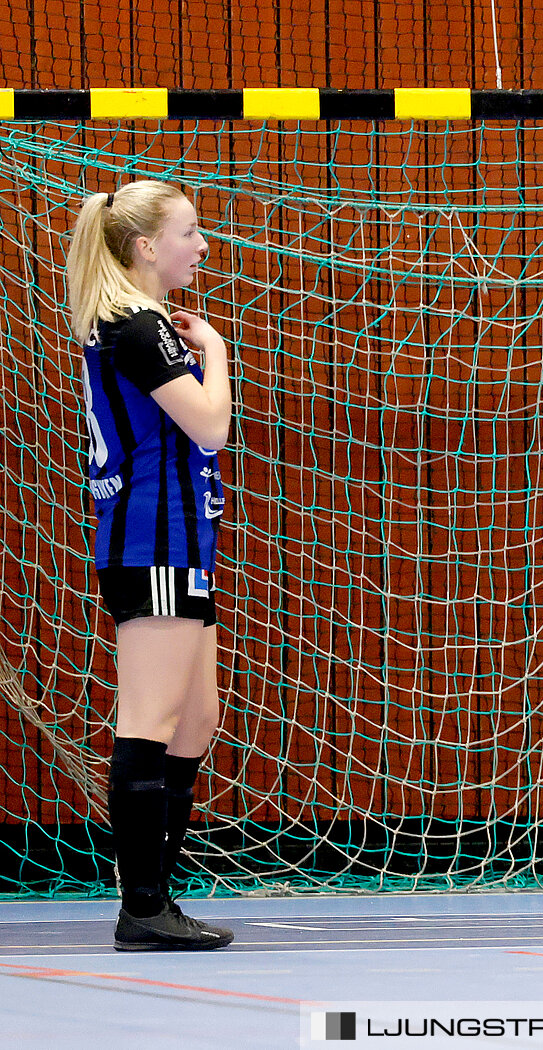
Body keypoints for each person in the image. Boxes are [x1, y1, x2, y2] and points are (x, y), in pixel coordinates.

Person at [66, 180, 236, 951]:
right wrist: (220, 355)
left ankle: (155, 899)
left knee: (197, 718)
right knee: (150, 718)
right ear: (145, 248)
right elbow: (208, 427)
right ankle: (142, 907)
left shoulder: (140, 323)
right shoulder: (137, 325)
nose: (201, 246)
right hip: (151, 541)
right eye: (191, 232)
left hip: (180, 543)